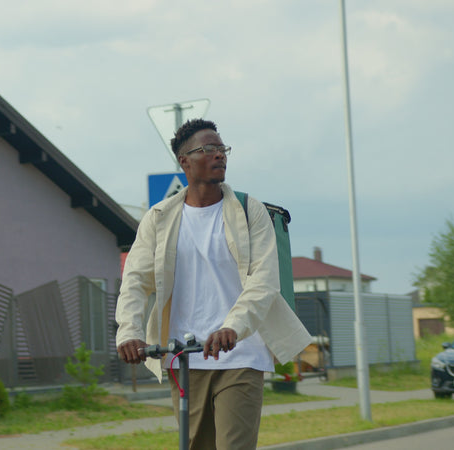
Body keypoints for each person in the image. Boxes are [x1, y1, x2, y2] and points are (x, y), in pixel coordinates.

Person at [115, 119, 311, 450]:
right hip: (184, 357)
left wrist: (233, 327)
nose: (219, 155)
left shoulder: (249, 211)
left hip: (240, 353)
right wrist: (129, 332)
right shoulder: (159, 218)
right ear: (184, 161)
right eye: (208, 149)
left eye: (222, 148)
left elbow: (263, 281)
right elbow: (135, 281)